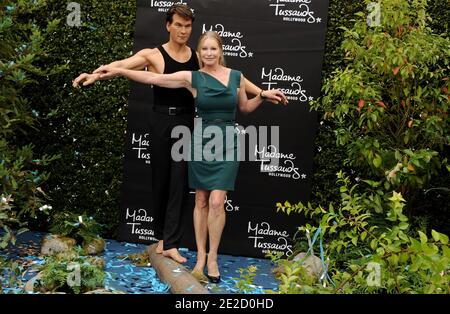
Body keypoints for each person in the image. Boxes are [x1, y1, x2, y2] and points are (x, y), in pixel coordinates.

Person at [73, 4, 287, 264]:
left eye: (188, 26)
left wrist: (262, 92)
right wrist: (95, 74)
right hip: (160, 120)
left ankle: (171, 242)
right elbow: (122, 65)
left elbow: (233, 79)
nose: (183, 31)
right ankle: (162, 237)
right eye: (179, 25)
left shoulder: (199, 56)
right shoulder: (153, 55)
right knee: (160, 181)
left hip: (187, 123)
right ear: (168, 25)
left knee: (179, 183)